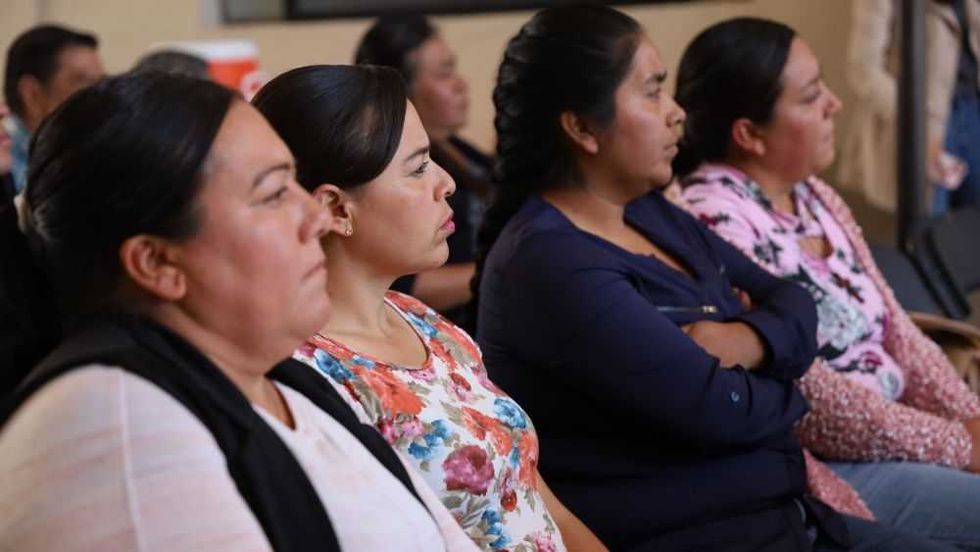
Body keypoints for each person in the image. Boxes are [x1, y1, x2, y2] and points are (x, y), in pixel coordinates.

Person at [473, 6, 962, 552]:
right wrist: (784, 378)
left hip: (789, 516)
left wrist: (746, 340)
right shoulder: (550, 264)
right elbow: (717, 412)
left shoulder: (649, 211)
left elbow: (796, 300)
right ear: (583, 127)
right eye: (653, 91)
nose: (676, 113)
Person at [0, 71, 480, 552]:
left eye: (295, 182)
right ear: (159, 262)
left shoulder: (287, 382)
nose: (316, 216)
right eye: (273, 194)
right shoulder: (119, 428)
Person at [254, 63, 605, 552]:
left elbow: (537, 500)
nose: (447, 183)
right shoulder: (305, 376)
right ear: (335, 209)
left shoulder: (423, 321)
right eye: (418, 167)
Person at [676, 17, 980, 551]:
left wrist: (971, 421)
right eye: (812, 95)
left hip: (909, 435)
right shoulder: (715, 220)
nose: (834, 104)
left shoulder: (813, 195)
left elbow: (898, 333)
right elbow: (804, 393)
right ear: (748, 133)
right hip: (833, 463)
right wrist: (956, 444)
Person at [355, 15, 492, 328]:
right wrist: (501, 272)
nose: (461, 83)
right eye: (444, 73)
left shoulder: (466, 152)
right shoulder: (390, 172)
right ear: (402, 87)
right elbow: (401, 283)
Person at [840, 0, 980, 213]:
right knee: (932, 229)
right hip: (925, 123)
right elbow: (864, 69)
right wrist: (917, 123)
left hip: (972, 113)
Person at [3, 24, 105, 193]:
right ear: (32, 94)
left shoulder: (72, 153)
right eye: (85, 84)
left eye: (102, 84)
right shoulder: (8, 168)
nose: (100, 96)